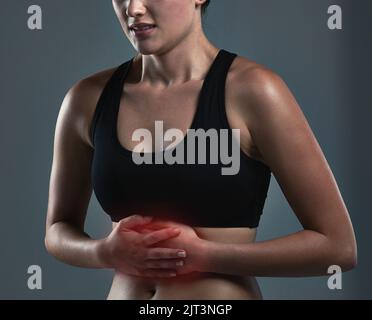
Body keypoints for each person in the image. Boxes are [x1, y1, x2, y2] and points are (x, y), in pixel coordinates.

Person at [45, 0, 357, 300]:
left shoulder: (253, 90)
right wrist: (104, 251)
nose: (134, 8)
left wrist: (205, 256)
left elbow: (337, 248)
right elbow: (58, 231)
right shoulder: (86, 99)